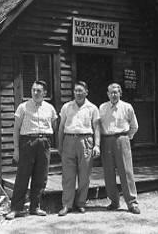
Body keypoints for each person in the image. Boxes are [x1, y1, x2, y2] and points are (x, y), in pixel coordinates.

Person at [5, 80, 58, 220]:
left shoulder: (50, 108)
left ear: (45, 93)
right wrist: (16, 149)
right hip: (27, 142)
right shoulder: (23, 107)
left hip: (44, 142)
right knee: (22, 176)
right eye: (33, 90)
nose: (35, 93)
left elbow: (54, 124)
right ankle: (16, 208)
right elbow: (16, 129)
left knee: (41, 176)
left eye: (39, 91)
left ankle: (35, 207)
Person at [57, 81, 100, 216]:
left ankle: (81, 203)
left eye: (81, 91)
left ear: (86, 92)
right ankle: (67, 205)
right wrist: (60, 144)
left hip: (86, 141)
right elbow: (61, 127)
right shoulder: (67, 107)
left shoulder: (92, 108)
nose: (78, 93)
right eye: (76, 91)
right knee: (68, 175)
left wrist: (97, 145)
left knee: (84, 175)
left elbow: (97, 128)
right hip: (69, 140)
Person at [99, 83, 141, 214]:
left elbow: (134, 126)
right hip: (106, 140)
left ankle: (132, 203)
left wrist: (127, 138)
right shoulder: (102, 107)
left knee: (126, 171)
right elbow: (99, 126)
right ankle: (114, 201)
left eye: (116, 92)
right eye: (111, 92)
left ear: (120, 93)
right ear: (107, 94)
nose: (113, 95)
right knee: (108, 172)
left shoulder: (127, 107)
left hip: (122, 139)